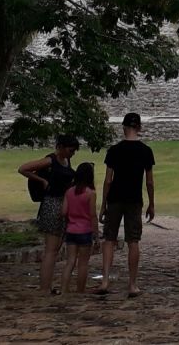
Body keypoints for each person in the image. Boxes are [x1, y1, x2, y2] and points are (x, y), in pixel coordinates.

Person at [95, 112, 155, 297]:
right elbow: (149, 182)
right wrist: (152, 203)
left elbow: (108, 180)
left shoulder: (114, 150)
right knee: (133, 241)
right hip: (134, 199)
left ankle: (105, 280)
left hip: (115, 198)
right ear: (139, 128)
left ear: (123, 128)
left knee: (109, 239)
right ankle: (132, 284)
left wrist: (103, 204)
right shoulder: (145, 151)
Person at [18, 135, 79, 293]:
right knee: (51, 250)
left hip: (62, 204)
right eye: (70, 150)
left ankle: (48, 284)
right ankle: (45, 287)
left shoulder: (66, 161)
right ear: (61, 147)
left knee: (55, 249)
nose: (72, 153)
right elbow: (23, 168)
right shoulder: (50, 160)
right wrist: (42, 181)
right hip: (52, 204)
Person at [61, 162, 97, 293]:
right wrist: (96, 233)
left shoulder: (69, 191)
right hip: (85, 230)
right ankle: (80, 290)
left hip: (71, 230)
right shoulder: (90, 193)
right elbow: (93, 215)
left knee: (70, 261)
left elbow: (64, 211)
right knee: (83, 263)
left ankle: (64, 288)